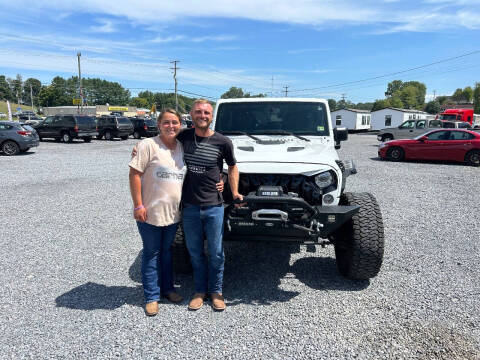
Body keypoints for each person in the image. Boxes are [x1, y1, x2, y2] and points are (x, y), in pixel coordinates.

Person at [177, 99, 243, 312]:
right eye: (198, 112)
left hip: (214, 205)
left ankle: (216, 292)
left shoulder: (223, 141)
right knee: (195, 252)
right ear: (191, 114)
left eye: (206, 112)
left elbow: (232, 167)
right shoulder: (184, 136)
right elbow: (162, 142)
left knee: (215, 252)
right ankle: (199, 291)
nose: (202, 115)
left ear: (211, 116)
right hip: (190, 206)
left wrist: (234, 191)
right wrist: (139, 148)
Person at [128, 109, 186, 316]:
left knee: (167, 252)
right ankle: (151, 296)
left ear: (180, 125)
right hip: (149, 211)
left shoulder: (182, 147)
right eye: (167, 123)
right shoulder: (147, 145)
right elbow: (134, 174)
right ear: (159, 124)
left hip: (172, 213)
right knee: (151, 253)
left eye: (175, 123)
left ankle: (168, 289)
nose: (171, 126)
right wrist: (138, 205)